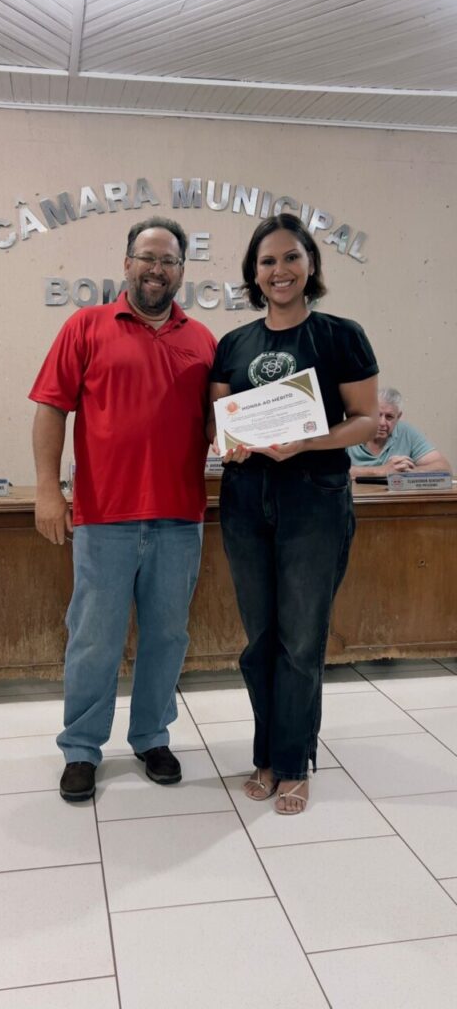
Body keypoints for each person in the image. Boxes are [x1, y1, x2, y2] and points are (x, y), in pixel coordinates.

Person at [30, 216, 217, 802]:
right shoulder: (85, 326)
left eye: (168, 260)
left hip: (180, 517)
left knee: (168, 635)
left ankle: (151, 737)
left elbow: (219, 424)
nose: (156, 269)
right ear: (127, 262)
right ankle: (82, 748)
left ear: (182, 271)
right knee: (93, 637)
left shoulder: (204, 340)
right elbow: (50, 409)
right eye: (147, 257)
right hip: (103, 517)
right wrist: (46, 490)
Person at [207, 213, 379, 815]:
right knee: (260, 640)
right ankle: (265, 755)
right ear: (253, 274)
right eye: (267, 261)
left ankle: (295, 759)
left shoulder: (340, 335)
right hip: (247, 499)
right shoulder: (234, 344)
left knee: (301, 639)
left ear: (311, 266)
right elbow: (219, 421)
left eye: (290, 258)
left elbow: (365, 419)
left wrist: (306, 441)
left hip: (316, 498)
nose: (278, 271)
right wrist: (224, 438)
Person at [349, 387, 452, 477]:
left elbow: (444, 467)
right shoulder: (350, 431)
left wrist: (407, 473)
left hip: (394, 497)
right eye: (377, 415)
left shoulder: (406, 432)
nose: (382, 423)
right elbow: (333, 472)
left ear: (398, 417)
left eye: (389, 417)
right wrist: (380, 471)